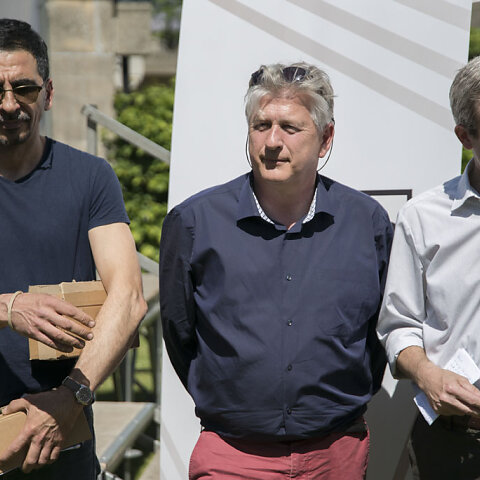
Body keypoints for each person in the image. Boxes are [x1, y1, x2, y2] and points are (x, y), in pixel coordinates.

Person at [160, 62, 393, 479]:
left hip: (335, 453)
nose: (272, 141)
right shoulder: (194, 222)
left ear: (325, 138)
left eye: (290, 127)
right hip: (232, 454)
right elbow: (179, 331)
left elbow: (381, 332)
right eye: (261, 125)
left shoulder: (368, 224)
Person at [0, 19, 147, 479]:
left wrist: (71, 398)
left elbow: (129, 298)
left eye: (24, 88)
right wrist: (9, 308)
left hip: (60, 437)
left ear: (48, 93)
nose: (9, 103)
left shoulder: (90, 177)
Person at [377, 55, 480, 479]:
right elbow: (397, 326)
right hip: (455, 442)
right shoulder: (423, 218)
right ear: (465, 136)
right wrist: (427, 374)